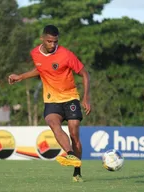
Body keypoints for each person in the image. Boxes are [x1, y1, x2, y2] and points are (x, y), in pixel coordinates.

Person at [8, 25, 91, 182]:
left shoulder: (66, 54)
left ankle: (77, 171)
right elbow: (41, 69)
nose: (52, 45)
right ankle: (70, 154)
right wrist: (21, 76)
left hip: (70, 98)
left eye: (55, 41)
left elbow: (85, 74)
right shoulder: (35, 53)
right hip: (51, 99)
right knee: (54, 124)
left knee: (74, 134)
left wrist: (86, 98)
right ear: (42, 39)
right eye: (49, 41)